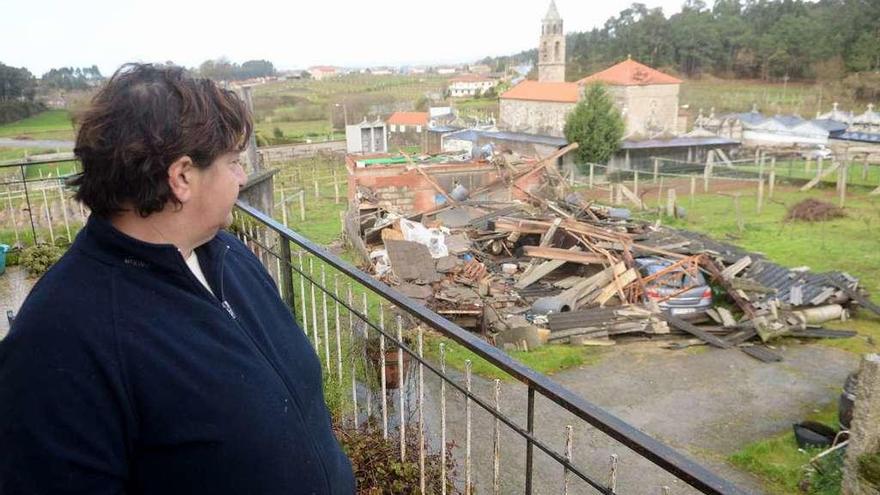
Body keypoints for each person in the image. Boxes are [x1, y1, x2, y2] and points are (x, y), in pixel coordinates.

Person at [0, 64, 355, 494]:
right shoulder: (59, 341)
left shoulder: (226, 254)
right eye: (233, 163)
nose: (242, 177)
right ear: (182, 176)